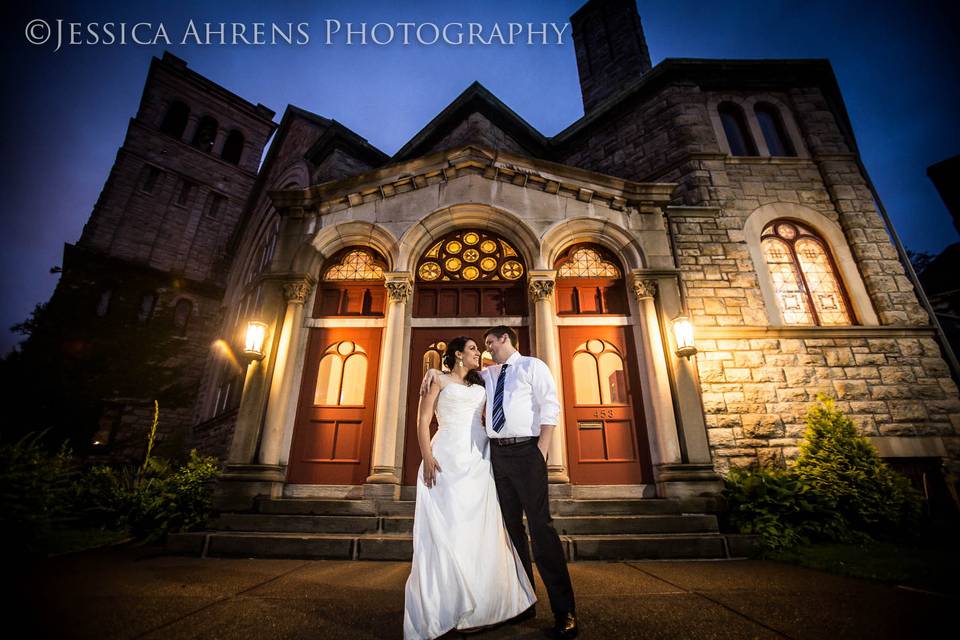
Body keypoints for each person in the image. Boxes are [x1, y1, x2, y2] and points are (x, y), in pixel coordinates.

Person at [419, 326, 578, 639]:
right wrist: (433, 371)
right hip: (495, 457)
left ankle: (565, 611)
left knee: (541, 528)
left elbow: (550, 409)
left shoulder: (533, 366)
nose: (486, 349)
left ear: (505, 339)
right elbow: (457, 380)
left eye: (489, 343)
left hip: (527, 451)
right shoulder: (487, 377)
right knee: (509, 531)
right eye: (480, 347)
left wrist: (540, 453)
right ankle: (521, 601)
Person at [403, 336, 536, 640]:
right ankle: (447, 602)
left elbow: (503, 373)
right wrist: (427, 455)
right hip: (446, 456)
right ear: (458, 354)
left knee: (478, 530)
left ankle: (484, 606)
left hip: (478, 459)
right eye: (474, 349)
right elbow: (423, 420)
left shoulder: (483, 382)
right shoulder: (437, 379)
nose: (480, 353)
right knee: (449, 527)